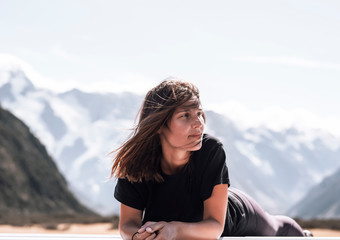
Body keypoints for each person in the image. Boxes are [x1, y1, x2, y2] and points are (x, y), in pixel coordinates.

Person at [111, 79, 309, 240]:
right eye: (185, 116)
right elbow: (127, 225)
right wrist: (139, 237)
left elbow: (215, 227)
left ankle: (304, 235)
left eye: (199, 114)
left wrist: (174, 230)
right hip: (181, 225)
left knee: (277, 228)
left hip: (233, 214)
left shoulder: (211, 150)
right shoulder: (135, 163)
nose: (199, 123)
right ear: (159, 124)